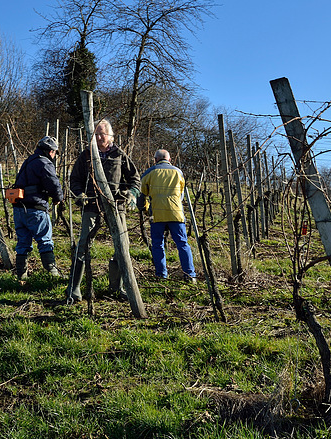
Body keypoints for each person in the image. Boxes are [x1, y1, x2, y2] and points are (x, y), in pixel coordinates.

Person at [65, 119, 140, 303]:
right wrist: (79, 194)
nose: (99, 137)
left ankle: (117, 287)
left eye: (102, 134)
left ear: (110, 136)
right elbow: (74, 180)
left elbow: (135, 179)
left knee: (122, 246)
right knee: (82, 245)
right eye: (96, 134)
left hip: (116, 206)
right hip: (91, 205)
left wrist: (132, 194)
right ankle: (74, 289)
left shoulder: (119, 155)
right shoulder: (86, 155)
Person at [11, 136, 65, 282]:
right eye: (54, 152)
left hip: (19, 209)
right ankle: (53, 274)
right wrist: (59, 198)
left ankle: (21, 275)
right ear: (51, 151)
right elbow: (53, 183)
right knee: (45, 240)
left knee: (23, 242)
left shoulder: (28, 161)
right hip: (36, 209)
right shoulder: (44, 162)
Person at [138, 149, 196, 282]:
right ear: (170, 160)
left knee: (158, 244)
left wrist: (145, 209)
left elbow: (142, 194)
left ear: (155, 160)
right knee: (182, 244)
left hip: (157, 214)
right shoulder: (178, 172)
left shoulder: (150, 172)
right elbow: (181, 195)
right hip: (176, 213)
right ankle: (190, 275)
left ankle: (161, 275)